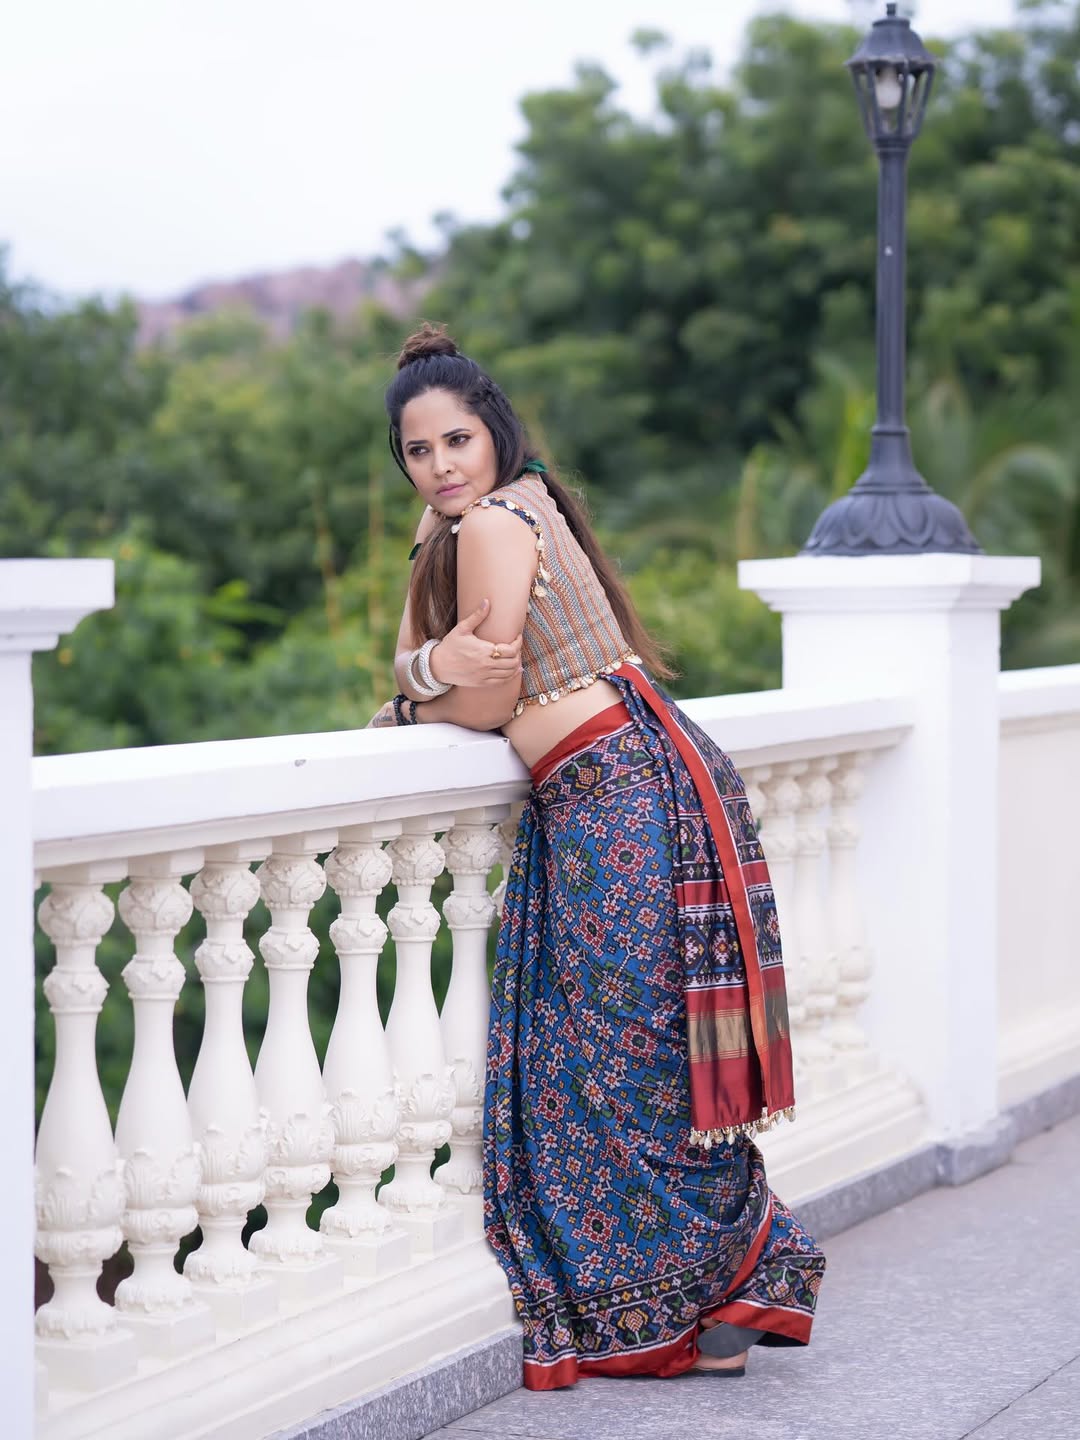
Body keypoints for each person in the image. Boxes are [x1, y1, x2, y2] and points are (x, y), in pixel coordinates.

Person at [373, 322, 825, 1389]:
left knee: (631, 1059)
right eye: (417, 451)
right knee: (631, 1056)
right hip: (624, 782)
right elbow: (451, 664)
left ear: (495, 431)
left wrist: (412, 687)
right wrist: (430, 650)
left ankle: (750, 1266)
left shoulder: (495, 523)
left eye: (456, 441)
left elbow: (487, 693)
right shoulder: (506, 510)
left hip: (615, 794)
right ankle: (714, 1300)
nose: (439, 466)